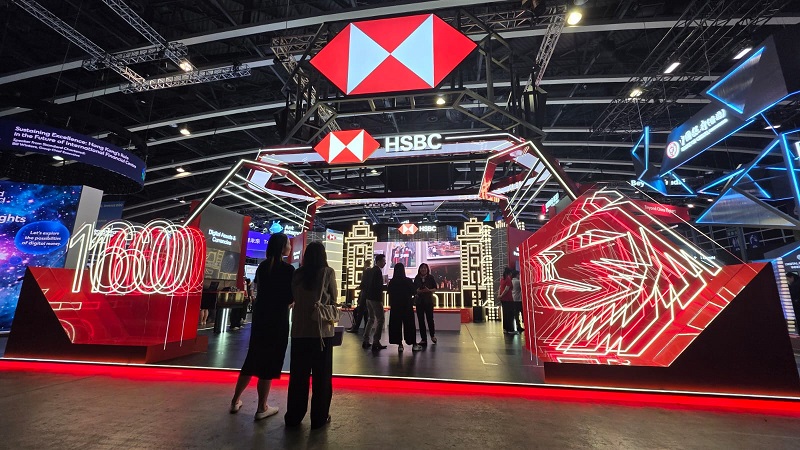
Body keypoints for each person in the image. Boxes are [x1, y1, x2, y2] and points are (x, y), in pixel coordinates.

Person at [229, 233, 293, 420]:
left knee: (252, 358)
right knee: (269, 362)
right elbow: (289, 297)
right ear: (282, 247)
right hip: (278, 319)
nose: (290, 247)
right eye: (288, 244)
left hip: (260, 318)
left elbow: (261, 291)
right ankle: (262, 407)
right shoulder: (288, 269)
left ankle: (235, 400)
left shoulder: (263, 267)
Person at [285, 242, 338, 430]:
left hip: (299, 331)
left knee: (298, 377)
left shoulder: (297, 274)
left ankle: (294, 416)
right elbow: (334, 298)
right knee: (322, 378)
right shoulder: (327, 272)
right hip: (321, 333)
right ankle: (319, 418)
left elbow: (293, 297)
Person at [387, 263, 422, 353]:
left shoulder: (392, 282)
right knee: (410, 325)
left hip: (395, 307)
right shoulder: (408, 281)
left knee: (396, 325)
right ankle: (413, 344)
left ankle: (400, 345)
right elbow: (413, 291)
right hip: (407, 306)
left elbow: (389, 293)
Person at [362, 254, 388, 351]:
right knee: (380, 319)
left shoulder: (369, 271)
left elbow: (365, 284)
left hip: (368, 298)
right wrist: (387, 286)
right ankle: (376, 341)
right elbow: (378, 286)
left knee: (371, 319)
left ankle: (365, 340)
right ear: (378, 261)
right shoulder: (378, 271)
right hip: (375, 299)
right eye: (383, 261)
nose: (385, 263)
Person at [414, 263, 438, 346]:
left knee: (430, 319)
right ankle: (423, 339)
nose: (423, 269)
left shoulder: (431, 278)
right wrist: (417, 291)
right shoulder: (417, 278)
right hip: (419, 302)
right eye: (421, 268)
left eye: (424, 268)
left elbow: (435, 288)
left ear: (427, 269)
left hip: (428, 302)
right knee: (421, 321)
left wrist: (429, 290)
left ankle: (432, 336)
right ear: (419, 269)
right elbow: (414, 289)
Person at [346, 260, 371, 333]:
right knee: (365, 312)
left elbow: (363, 283)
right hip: (368, 295)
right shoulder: (371, 272)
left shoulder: (366, 272)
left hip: (364, 295)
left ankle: (356, 327)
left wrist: (359, 287)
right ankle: (365, 328)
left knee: (360, 312)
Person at [498, 267, 515, 334]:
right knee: (510, 314)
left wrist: (499, 295)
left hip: (503, 299)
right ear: (510, 273)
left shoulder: (502, 279)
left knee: (505, 314)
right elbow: (507, 289)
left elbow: (500, 288)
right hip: (508, 298)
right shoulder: (508, 279)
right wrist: (502, 295)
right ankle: (510, 329)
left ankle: (505, 329)